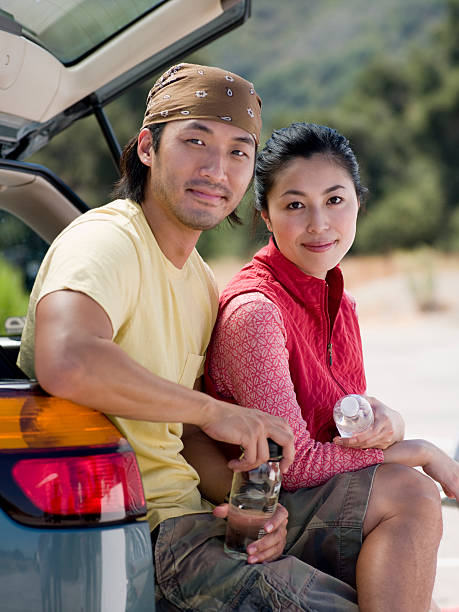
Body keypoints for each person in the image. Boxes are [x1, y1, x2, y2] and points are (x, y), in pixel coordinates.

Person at [17, 65, 371, 611]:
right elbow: (68, 359)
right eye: (195, 141)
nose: (215, 168)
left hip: (195, 522)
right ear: (147, 148)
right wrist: (212, 410)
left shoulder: (202, 283)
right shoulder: (108, 240)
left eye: (237, 152)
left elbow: (184, 434)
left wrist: (252, 507)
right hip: (136, 533)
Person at [205, 122, 459, 611]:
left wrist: (391, 424)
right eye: (295, 205)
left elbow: (340, 426)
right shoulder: (256, 311)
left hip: (308, 496)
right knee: (410, 492)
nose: (319, 223)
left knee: (407, 487)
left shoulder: (340, 300)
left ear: (359, 203)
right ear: (266, 216)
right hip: (256, 509)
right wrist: (420, 451)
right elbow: (295, 463)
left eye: (335, 200)